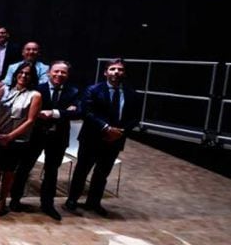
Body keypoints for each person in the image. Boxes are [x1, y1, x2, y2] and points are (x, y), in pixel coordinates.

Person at [66, 58, 141, 217]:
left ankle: (93, 202)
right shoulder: (93, 90)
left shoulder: (132, 94)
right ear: (105, 72)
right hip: (92, 138)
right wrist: (106, 128)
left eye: (120, 69)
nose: (116, 72)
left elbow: (135, 118)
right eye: (113, 69)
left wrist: (120, 131)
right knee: (82, 171)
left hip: (115, 140)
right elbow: (87, 113)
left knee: (102, 173)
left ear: (124, 73)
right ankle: (72, 200)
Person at [9, 60, 80, 220]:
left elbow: (78, 113)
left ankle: (47, 204)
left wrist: (54, 113)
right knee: (24, 168)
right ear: (49, 73)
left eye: (63, 72)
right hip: (35, 135)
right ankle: (14, 200)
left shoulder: (73, 92)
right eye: (56, 71)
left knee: (51, 171)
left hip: (58, 138)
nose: (59, 75)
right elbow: (31, 110)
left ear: (67, 75)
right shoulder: (37, 89)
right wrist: (65, 112)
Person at [0, 61, 43, 216]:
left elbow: (30, 120)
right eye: (21, 72)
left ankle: (3, 199)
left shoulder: (35, 95)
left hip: (17, 139)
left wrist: (10, 136)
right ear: (16, 73)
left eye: (27, 74)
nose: (23, 75)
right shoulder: (3, 90)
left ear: (32, 77)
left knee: (9, 171)